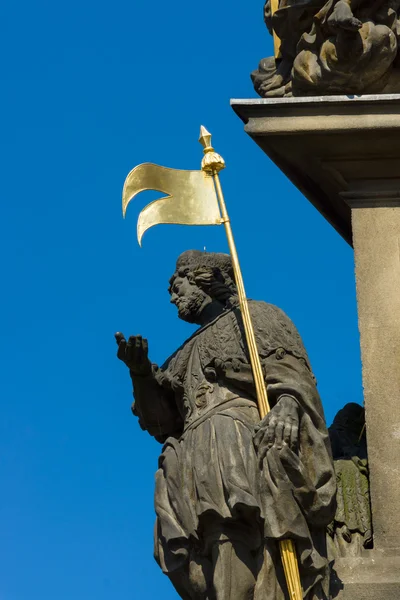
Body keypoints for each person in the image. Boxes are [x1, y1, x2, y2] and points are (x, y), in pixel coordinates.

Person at [116, 250, 336, 599]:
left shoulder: (256, 317)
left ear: (204, 279)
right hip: (191, 453)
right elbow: (162, 422)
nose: (173, 294)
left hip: (235, 437)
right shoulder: (182, 354)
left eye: (178, 284)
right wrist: (141, 373)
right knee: (210, 547)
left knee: (231, 529)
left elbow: (295, 378)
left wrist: (288, 406)